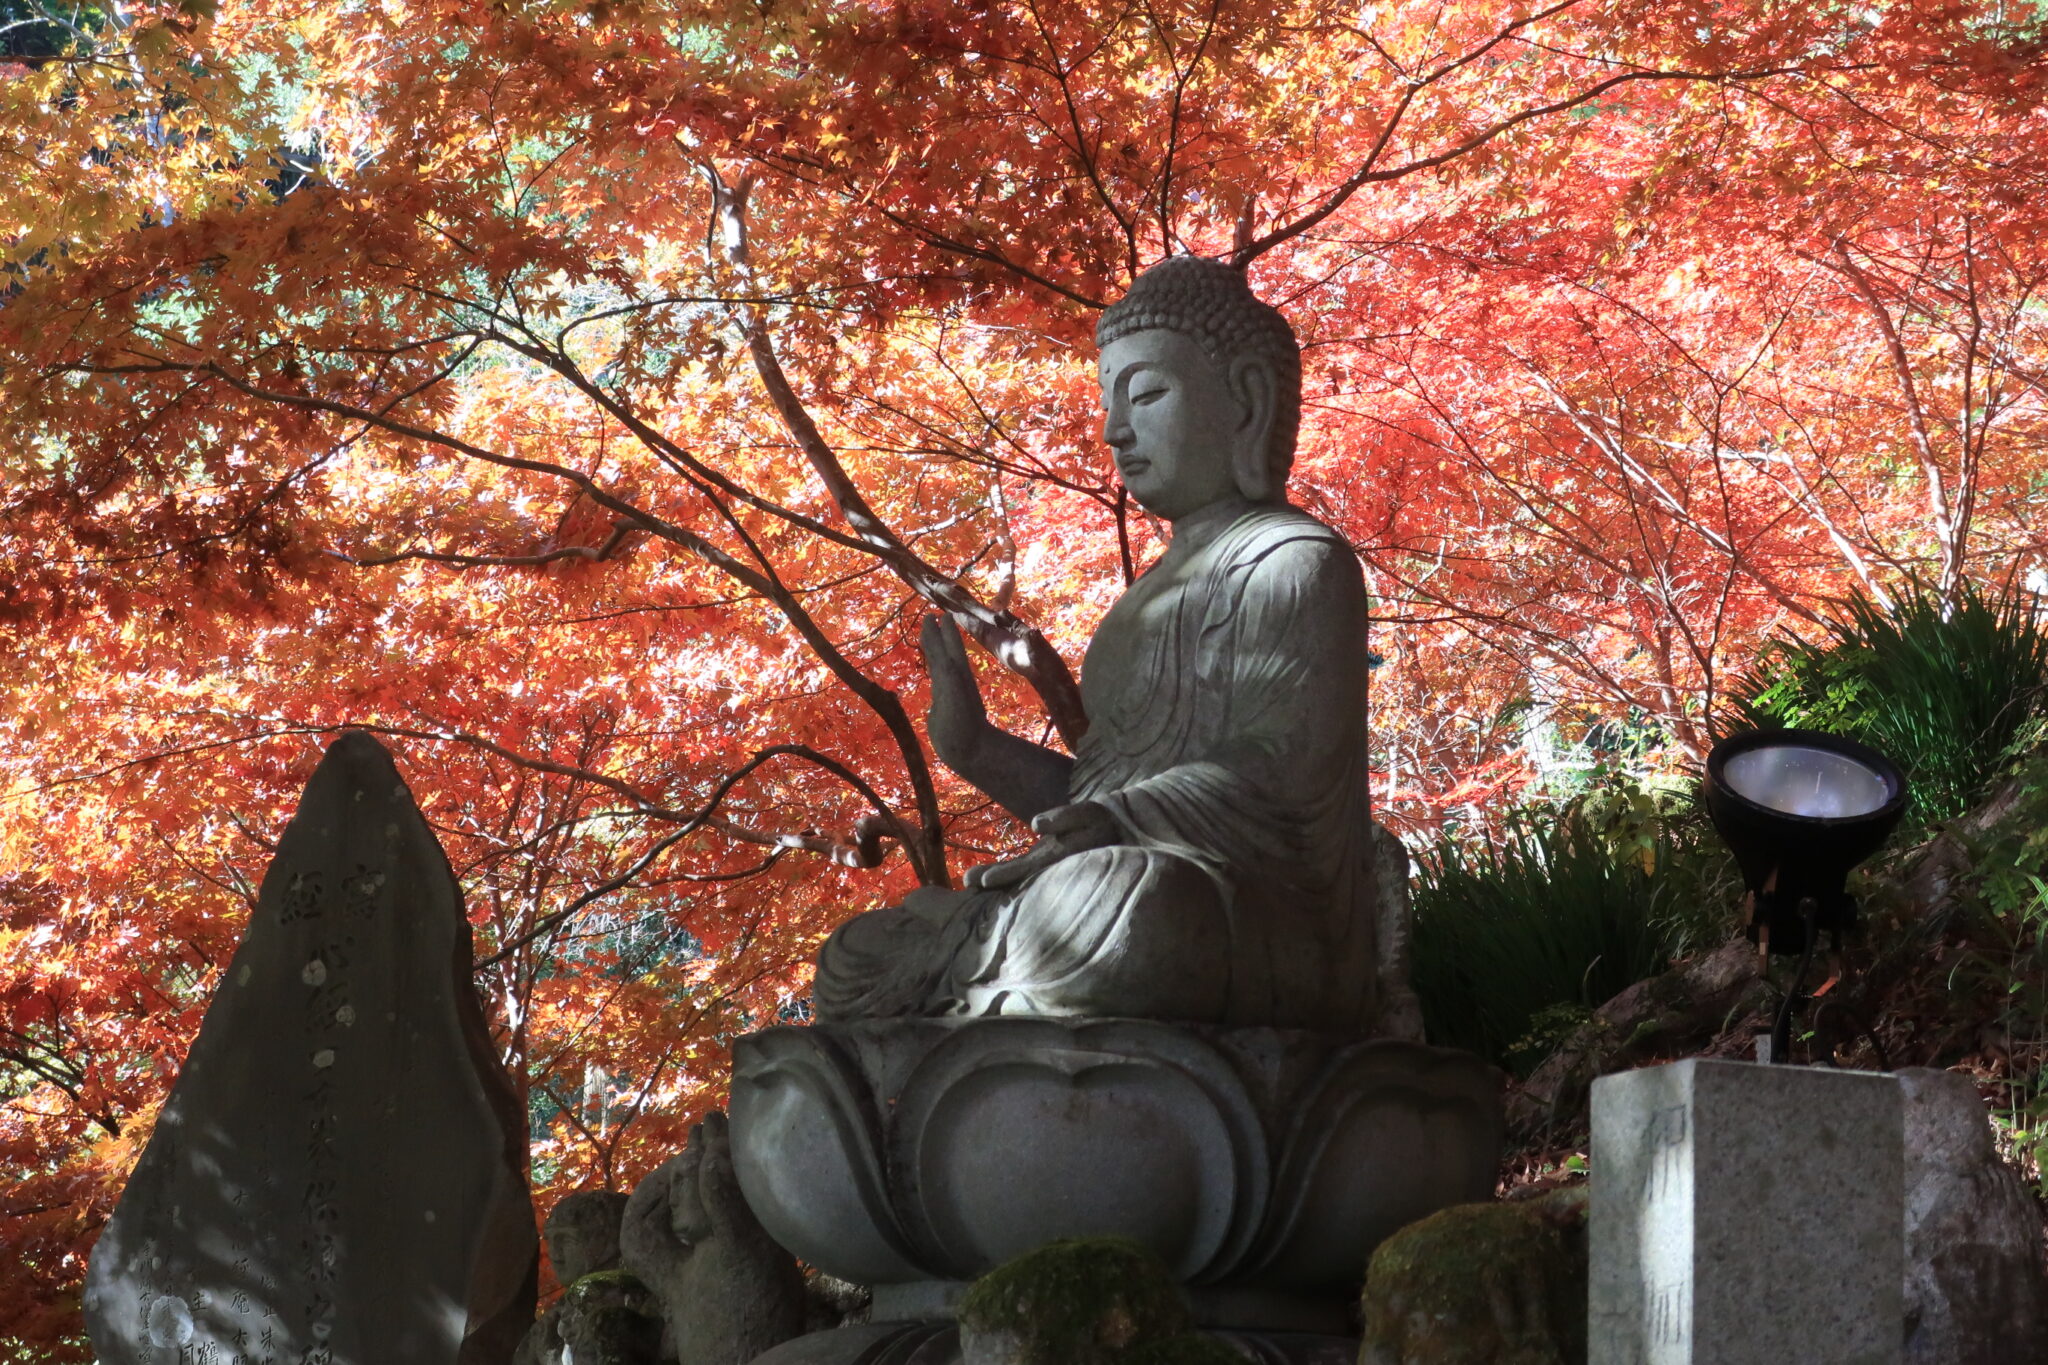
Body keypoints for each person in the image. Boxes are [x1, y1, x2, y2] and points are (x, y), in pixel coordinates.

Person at [814, 255, 1410, 1036]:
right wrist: (976, 747)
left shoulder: (1297, 560)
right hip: (1117, 881)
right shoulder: (1139, 604)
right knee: (848, 956)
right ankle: (994, 974)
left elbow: (1283, 769)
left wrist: (1125, 822)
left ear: (1247, 403)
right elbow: (1087, 803)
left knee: (1132, 910)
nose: (1114, 428)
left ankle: (979, 985)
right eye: (1108, 399)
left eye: (1148, 393)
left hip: (1248, 916)